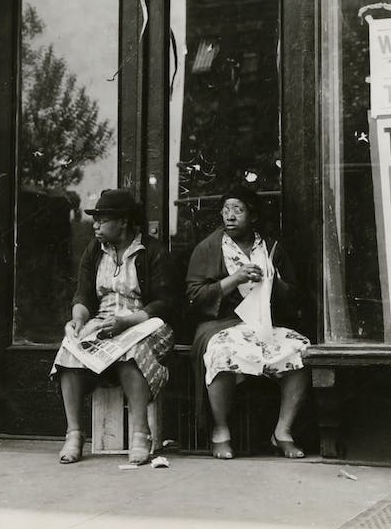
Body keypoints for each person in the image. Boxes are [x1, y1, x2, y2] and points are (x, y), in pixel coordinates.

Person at [50, 188, 177, 465]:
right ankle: (74, 433)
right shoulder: (95, 251)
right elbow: (83, 295)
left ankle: (140, 433)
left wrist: (128, 321)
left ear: (123, 222)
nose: (95, 225)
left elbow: (165, 302)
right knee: (69, 349)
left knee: (131, 350)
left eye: (102, 220)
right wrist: (78, 320)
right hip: (104, 322)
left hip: (146, 323)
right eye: (95, 220)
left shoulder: (152, 251)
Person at [185, 184, 310, 459]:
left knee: (300, 349)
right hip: (223, 324)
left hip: (264, 324)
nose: (230, 216)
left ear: (253, 216)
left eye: (238, 210)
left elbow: (295, 296)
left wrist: (274, 281)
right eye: (226, 210)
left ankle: (282, 431)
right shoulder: (208, 248)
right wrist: (235, 279)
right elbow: (194, 298)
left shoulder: (270, 248)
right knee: (222, 352)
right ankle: (220, 431)